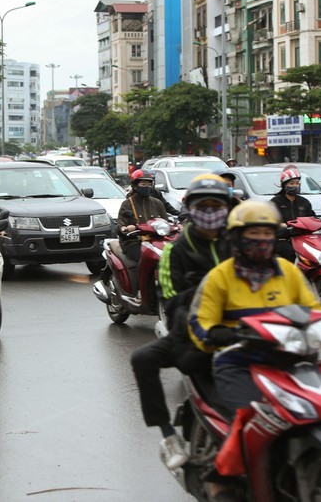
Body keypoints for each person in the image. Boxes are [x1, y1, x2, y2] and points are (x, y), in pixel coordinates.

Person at [187, 200, 321, 498]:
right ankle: (220, 476)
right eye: (254, 233)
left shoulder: (289, 271)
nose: (262, 240)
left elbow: (315, 310)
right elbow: (199, 324)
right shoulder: (219, 277)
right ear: (236, 238)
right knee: (249, 417)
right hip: (238, 362)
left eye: (267, 233)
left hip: (289, 359)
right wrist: (222, 334)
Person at [130, 175, 233, 470]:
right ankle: (168, 435)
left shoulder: (240, 243)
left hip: (246, 328)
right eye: (204, 205)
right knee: (142, 359)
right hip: (196, 332)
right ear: (190, 208)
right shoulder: (175, 252)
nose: (210, 212)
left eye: (217, 205)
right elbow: (174, 303)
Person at [117, 169, 169, 281]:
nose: (147, 186)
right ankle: (141, 290)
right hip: (134, 242)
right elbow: (120, 224)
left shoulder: (157, 203)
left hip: (156, 242)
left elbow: (166, 222)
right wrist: (125, 228)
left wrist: (177, 226)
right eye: (143, 184)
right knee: (145, 261)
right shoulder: (127, 204)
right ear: (135, 186)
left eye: (149, 184)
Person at [270, 168, 316, 262]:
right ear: (284, 185)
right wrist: (282, 225)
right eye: (291, 183)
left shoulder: (304, 202)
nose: (295, 186)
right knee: (288, 252)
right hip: (283, 239)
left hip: (302, 238)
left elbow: (312, 218)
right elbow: (270, 222)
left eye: (297, 183)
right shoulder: (275, 202)